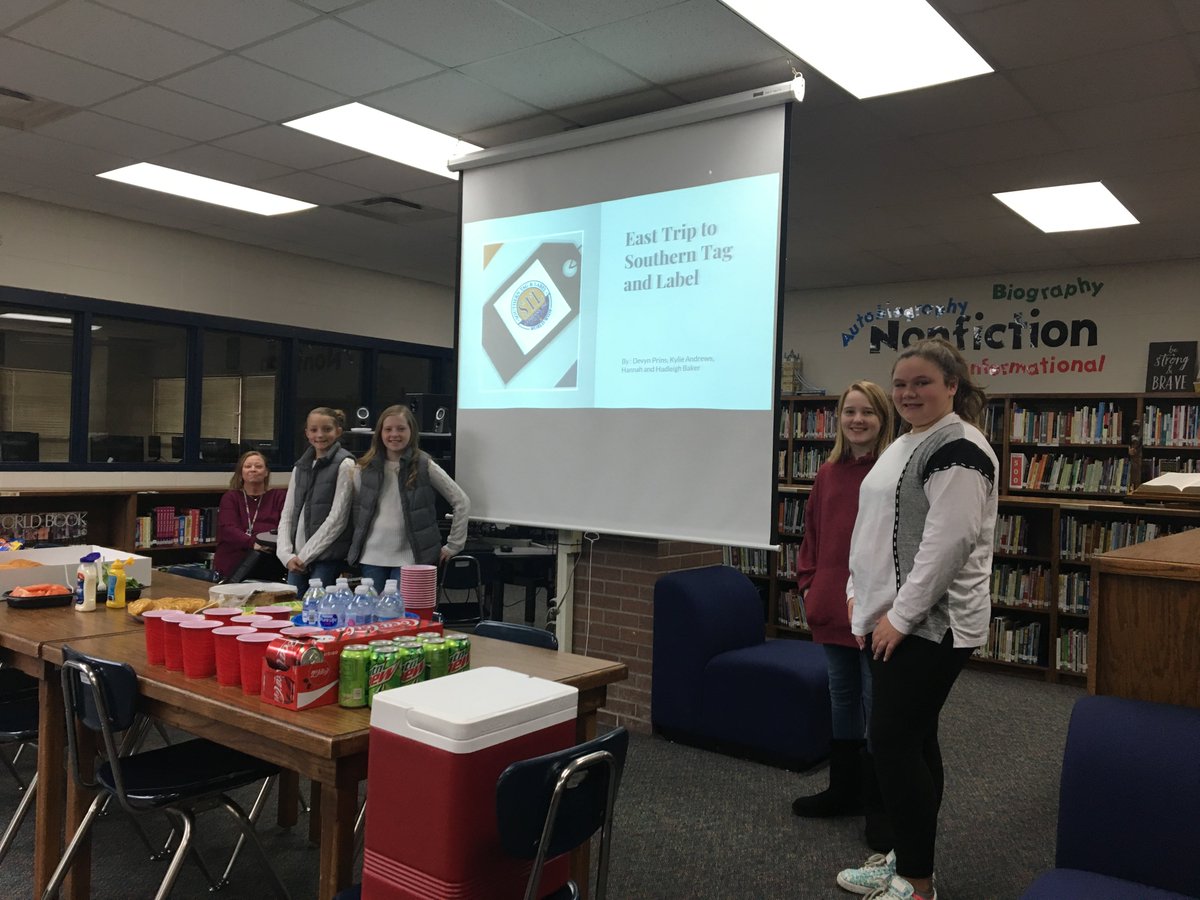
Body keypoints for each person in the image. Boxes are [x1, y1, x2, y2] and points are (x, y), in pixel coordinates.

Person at [836, 338, 997, 900]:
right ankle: (905, 860)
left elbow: (947, 545)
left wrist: (899, 618)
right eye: (901, 383)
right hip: (888, 617)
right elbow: (870, 525)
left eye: (922, 382)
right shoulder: (904, 442)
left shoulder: (960, 447)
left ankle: (918, 885)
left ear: (952, 385)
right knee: (913, 741)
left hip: (932, 627)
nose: (908, 392)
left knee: (894, 744)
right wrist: (858, 591)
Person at [791, 381, 893, 822]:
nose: (857, 420)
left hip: (877, 608)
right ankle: (843, 790)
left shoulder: (892, 472)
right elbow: (811, 533)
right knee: (842, 696)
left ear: (883, 419)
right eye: (849, 411)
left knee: (877, 701)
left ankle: (878, 802)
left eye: (867, 412)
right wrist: (808, 583)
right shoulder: (827, 473)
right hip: (831, 605)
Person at [340, 404, 469, 586]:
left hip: (412, 558)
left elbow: (461, 501)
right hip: (371, 557)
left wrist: (454, 545)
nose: (394, 434)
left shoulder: (425, 465)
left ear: (411, 432)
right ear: (380, 433)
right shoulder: (364, 467)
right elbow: (356, 509)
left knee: (403, 613)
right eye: (388, 429)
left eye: (401, 429)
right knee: (373, 612)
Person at [276, 407, 356, 590]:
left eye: (326, 429)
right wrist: (285, 555)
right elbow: (287, 513)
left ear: (338, 431)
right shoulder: (300, 467)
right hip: (296, 557)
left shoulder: (346, 465)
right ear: (306, 433)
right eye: (313, 430)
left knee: (319, 612)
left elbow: (338, 519)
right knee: (293, 610)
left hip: (326, 557)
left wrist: (305, 556)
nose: (320, 435)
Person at [213, 450, 286, 580]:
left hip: (269, 561)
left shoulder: (278, 496)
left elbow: (285, 526)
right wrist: (253, 543)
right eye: (248, 466)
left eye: (258, 466)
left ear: (266, 472)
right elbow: (228, 529)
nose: (253, 470)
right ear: (241, 472)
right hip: (234, 565)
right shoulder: (231, 497)